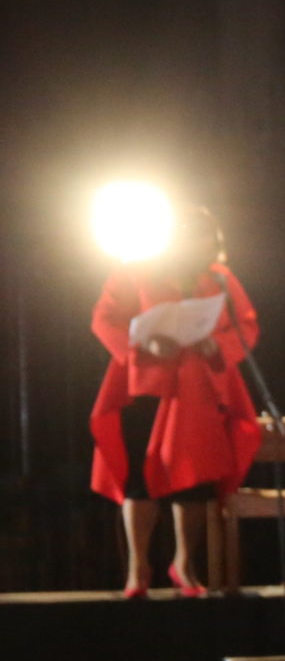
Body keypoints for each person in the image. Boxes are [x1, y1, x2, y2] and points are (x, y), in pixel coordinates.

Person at [88, 207, 263, 598]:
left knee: (194, 477)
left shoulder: (219, 278)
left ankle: (184, 563)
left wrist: (216, 343)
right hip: (145, 380)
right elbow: (104, 319)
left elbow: (246, 323)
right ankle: (139, 567)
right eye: (192, 238)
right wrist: (142, 341)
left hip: (196, 388)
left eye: (207, 241)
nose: (200, 248)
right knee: (139, 477)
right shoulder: (134, 270)